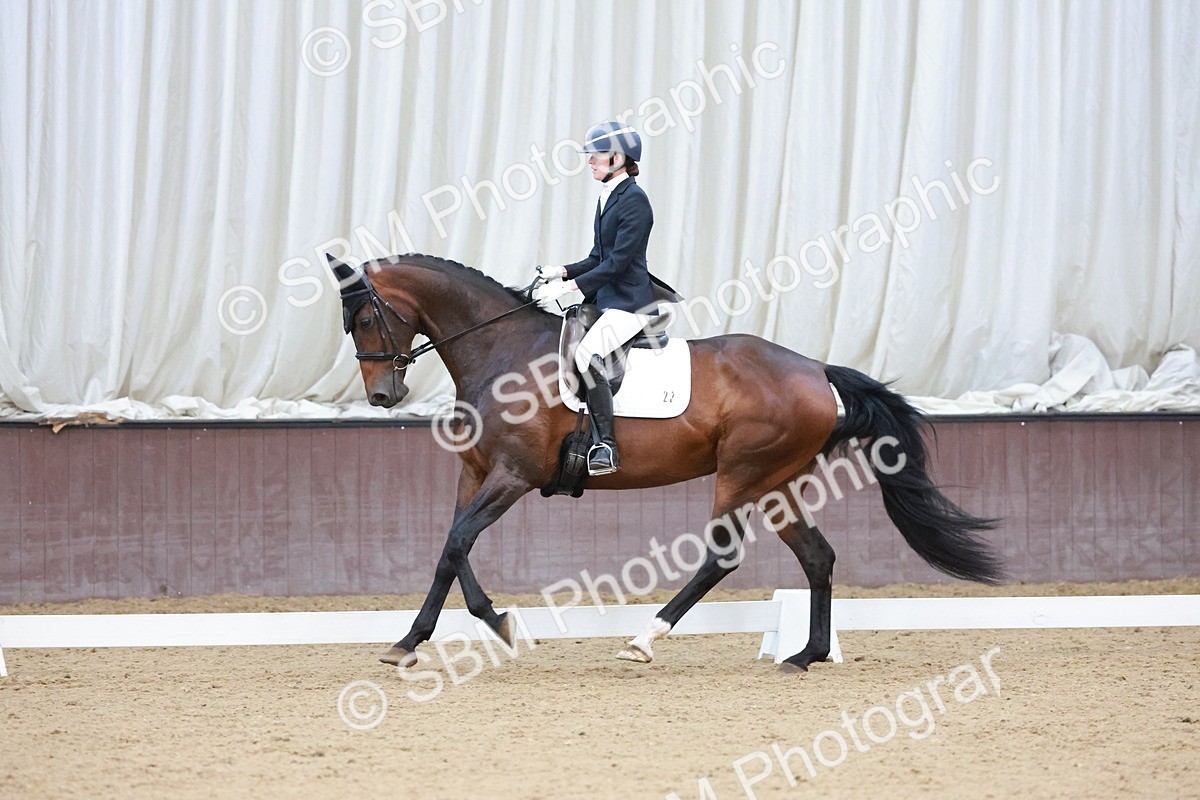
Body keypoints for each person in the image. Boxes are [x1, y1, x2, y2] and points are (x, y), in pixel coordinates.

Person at [532, 120, 658, 476]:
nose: (589, 161)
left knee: (587, 354)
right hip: (607, 299)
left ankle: (607, 446)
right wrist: (560, 272)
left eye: (596, 155)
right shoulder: (608, 196)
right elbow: (597, 257)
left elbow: (617, 263)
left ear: (618, 158)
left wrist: (570, 288)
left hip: (630, 303)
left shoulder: (635, 200)